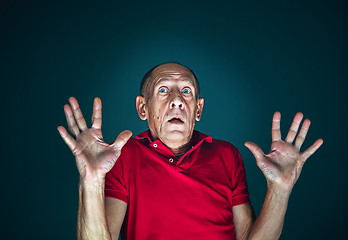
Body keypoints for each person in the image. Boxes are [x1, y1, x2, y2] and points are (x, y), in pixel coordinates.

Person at [57, 63, 323, 240]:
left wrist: (280, 188)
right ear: (142, 108)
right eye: (163, 90)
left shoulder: (226, 155)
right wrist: (91, 181)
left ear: (198, 109)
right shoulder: (123, 156)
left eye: (186, 91)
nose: (176, 100)